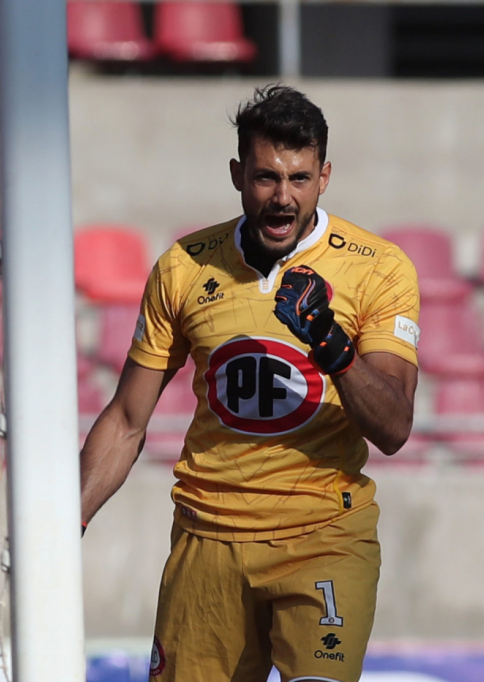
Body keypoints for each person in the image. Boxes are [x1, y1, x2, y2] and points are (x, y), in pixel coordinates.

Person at [79, 84, 420, 682]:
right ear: (238, 174)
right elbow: (129, 420)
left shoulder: (379, 267)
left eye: (300, 179)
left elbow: (393, 427)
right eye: (266, 178)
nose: (283, 198)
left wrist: (330, 344)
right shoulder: (185, 266)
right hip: (208, 539)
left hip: (324, 536)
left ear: (325, 177)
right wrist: (65, 525)